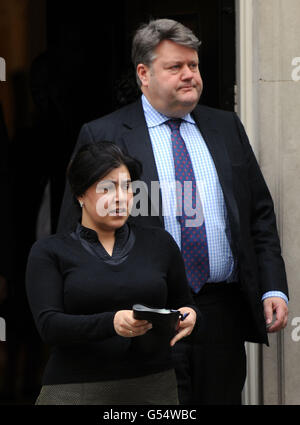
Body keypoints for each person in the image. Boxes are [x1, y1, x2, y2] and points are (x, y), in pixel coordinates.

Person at [57, 19, 289, 405]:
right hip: (144, 314)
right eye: (175, 67)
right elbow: (75, 233)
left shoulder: (226, 126)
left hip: (220, 314)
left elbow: (259, 215)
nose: (189, 75)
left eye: (194, 66)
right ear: (143, 74)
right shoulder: (105, 134)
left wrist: (272, 285)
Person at [25, 141, 197, 405]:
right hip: (75, 388)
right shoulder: (50, 252)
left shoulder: (160, 244)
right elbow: (49, 326)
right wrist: (112, 322)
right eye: (107, 188)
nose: (121, 197)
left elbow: (183, 302)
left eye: (127, 187)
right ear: (80, 194)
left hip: (152, 386)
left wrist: (189, 315)